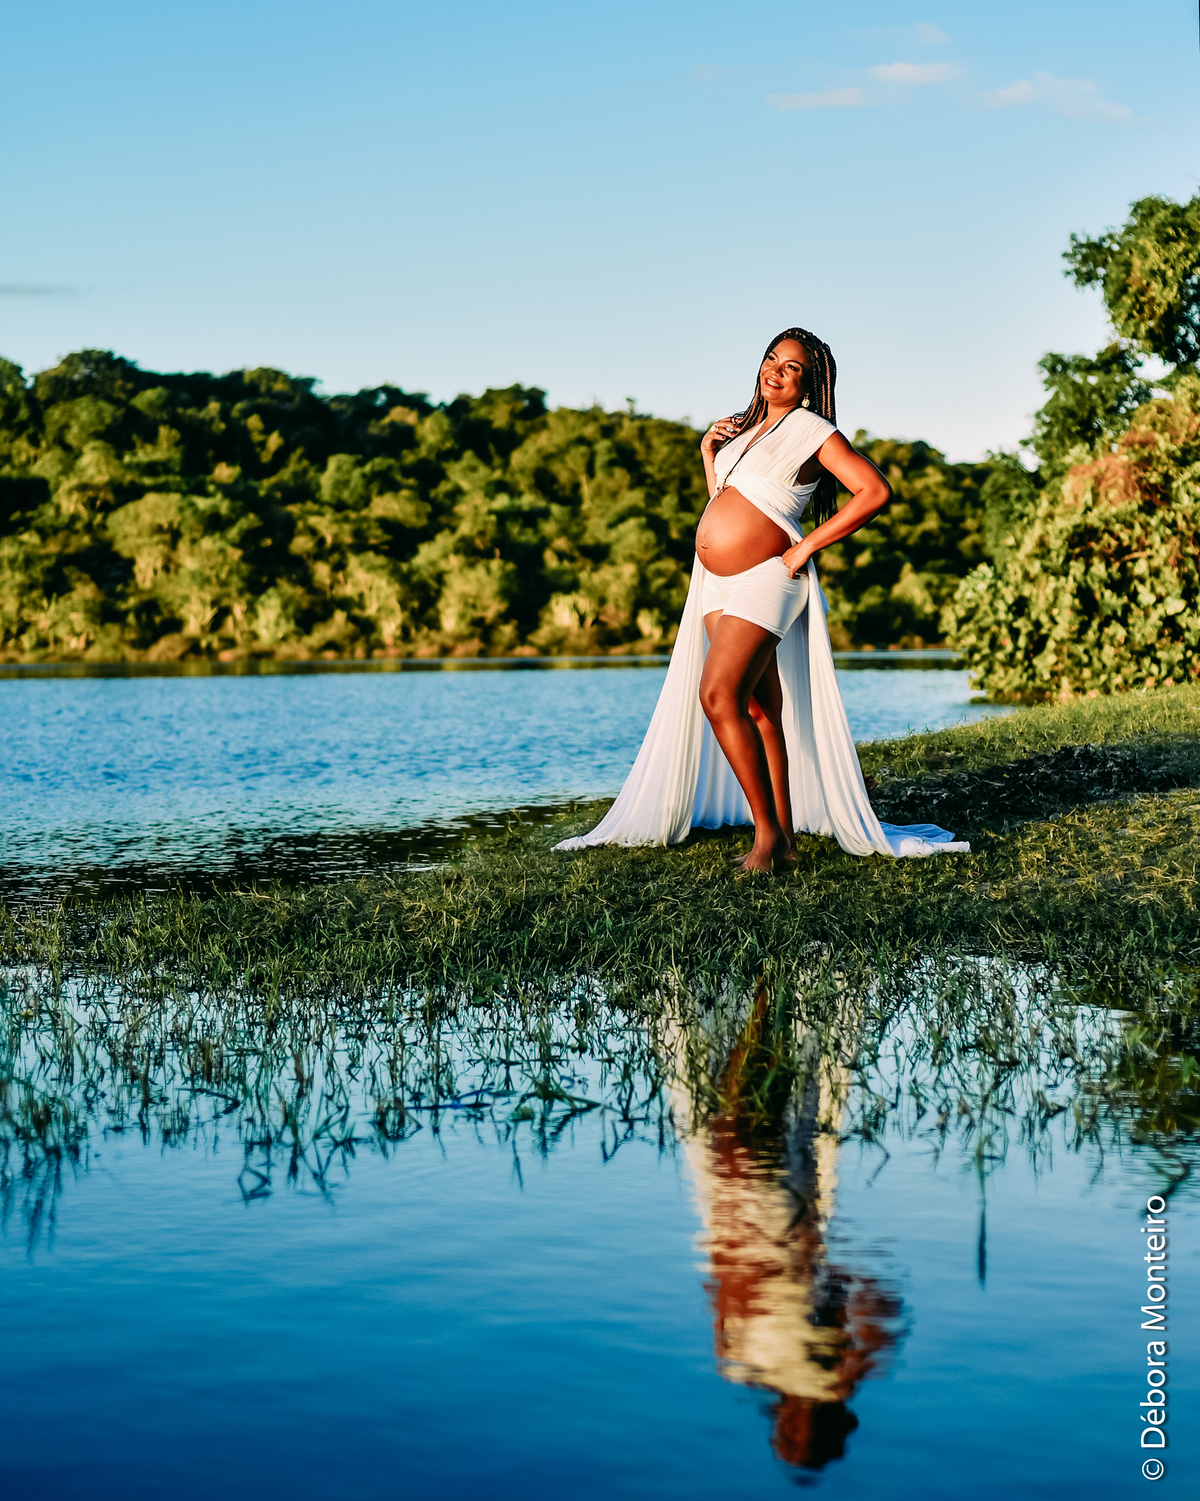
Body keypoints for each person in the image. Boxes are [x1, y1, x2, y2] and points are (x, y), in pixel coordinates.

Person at [556, 327, 967, 868]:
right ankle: (786, 843)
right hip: (718, 583)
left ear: (810, 382)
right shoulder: (747, 431)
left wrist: (806, 549)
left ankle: (768, 836)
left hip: (768, 577)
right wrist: (709, 452)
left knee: (718, 696)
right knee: (758, 708)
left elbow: (874, 492)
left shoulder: (812, 430)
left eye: (792, 366)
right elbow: (727, 503)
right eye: (772, 358)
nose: (775, 369)